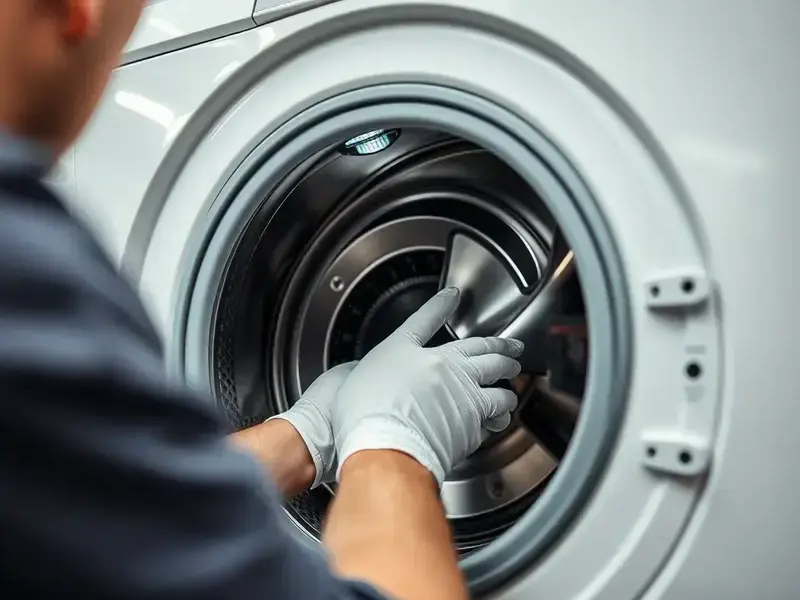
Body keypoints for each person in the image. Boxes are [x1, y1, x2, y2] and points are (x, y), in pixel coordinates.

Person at [0, 2, 524, 598]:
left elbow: (84, 515)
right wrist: (393, 447)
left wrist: (304, 434)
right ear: (77, 10)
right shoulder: (22, 269)